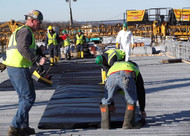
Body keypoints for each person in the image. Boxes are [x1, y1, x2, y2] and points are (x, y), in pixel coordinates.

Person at [2, 10, 46, 135]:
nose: (39, 26)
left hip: (15, 68)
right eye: (38, 23)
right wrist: (37, 59)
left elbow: (23, 47)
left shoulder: (22, 31)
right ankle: (14, 127)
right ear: (32, 20)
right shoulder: (26, 30)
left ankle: (23, 127)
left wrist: (38, 51)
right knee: (28, 97)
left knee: (24, 98)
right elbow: (22, 48)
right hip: (18, 68)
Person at [99, 61, 146, 130]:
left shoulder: (114, 67)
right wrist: (142, 110)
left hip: (111, 77)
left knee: (106, 100)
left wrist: (111, 104)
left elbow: (112, 87)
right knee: (131, 100)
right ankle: (128, 124)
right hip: (126, 76)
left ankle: (105, 126)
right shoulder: (135, 68)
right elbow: (140, 90)